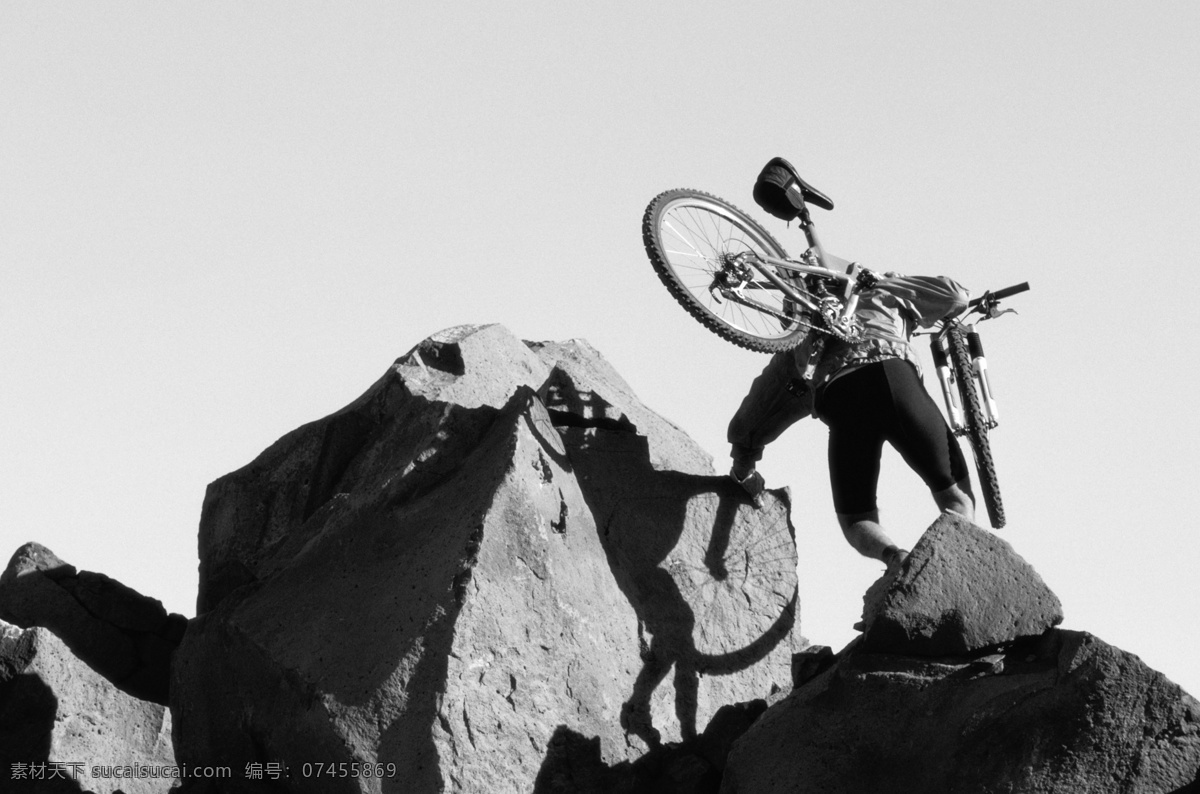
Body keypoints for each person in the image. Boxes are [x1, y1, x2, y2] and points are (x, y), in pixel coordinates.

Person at [727, 270, 973, 570]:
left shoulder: (798, 345)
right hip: (895, 381)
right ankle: (955, 568)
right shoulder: (884, 292)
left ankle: (896, 558)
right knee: (957, 499)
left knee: (856, 520)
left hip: (842, 400)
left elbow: (754, 419)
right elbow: (956, 296)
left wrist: (744, 466)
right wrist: (891, 281)